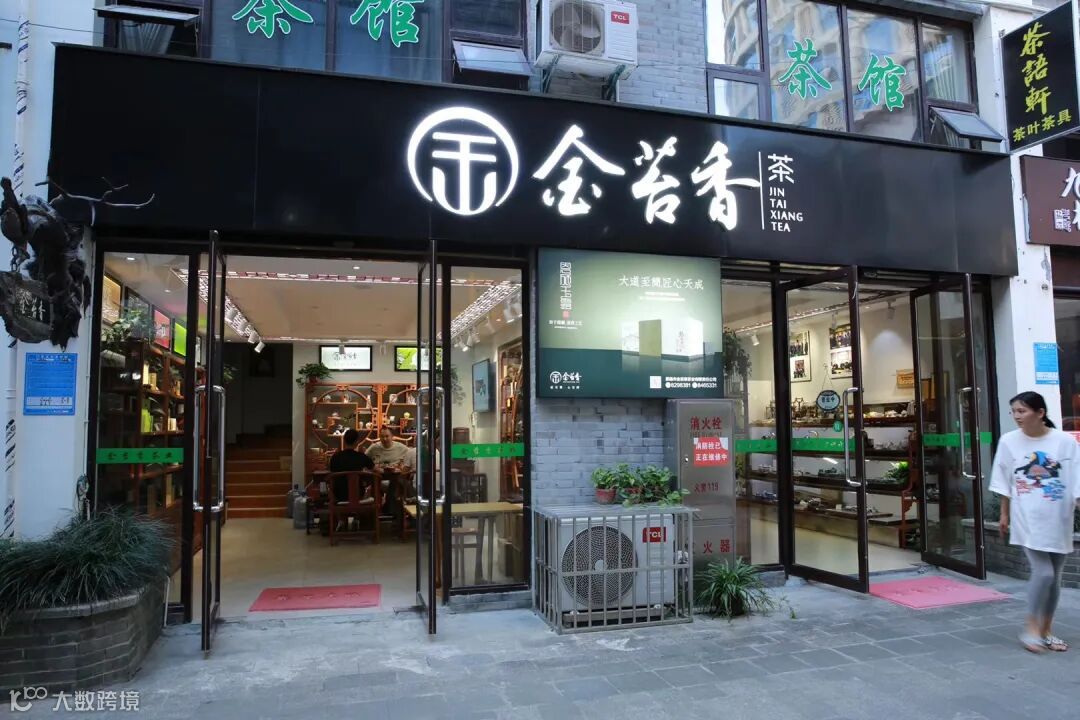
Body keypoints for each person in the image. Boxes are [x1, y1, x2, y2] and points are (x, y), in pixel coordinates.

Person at [989, 391, 1080, 653]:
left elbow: (1076, 477)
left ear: (1040, 413)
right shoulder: (1009, 441)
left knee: (1055, 577)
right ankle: (1030, 627)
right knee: (1044, 573)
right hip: (1027, 516)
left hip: (1059, 517)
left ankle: (1046, 630)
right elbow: (1003, 480)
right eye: (1014, 412)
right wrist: (1004, 513)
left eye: (1022, 411)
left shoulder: (1065, 442)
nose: (1017, 416)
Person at [327, 428, 374, 502]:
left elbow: (331, 473)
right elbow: (374, 468)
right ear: (357, 442)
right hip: (358, 495)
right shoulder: (361, 456)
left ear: (344, 441)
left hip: (338, 495)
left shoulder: (335, 457)